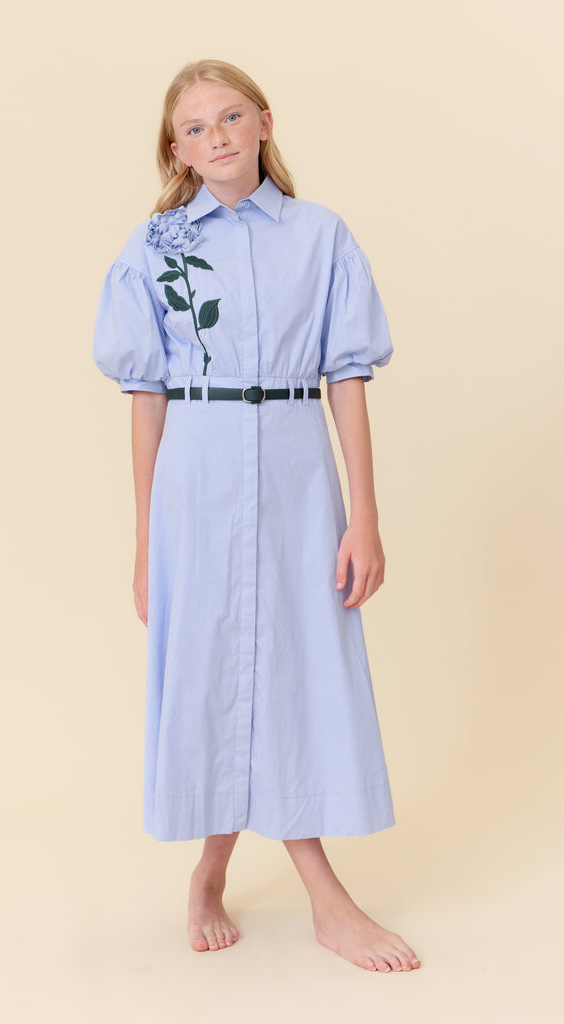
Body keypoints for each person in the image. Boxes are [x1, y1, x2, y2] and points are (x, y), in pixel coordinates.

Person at [92, 58, 421, 973]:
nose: (217, 137)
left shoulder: (320, 236)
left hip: (294, 467)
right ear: (176, 151)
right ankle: (282, 888)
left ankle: (225, 872)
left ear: (264, 123)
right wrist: (145, 542)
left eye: (231, 117)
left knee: (295, 663)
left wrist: (364, 516)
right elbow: (146, 396)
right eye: (194, 128)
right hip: (195, 475)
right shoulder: (154, 246)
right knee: (209, 667)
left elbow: (345, 377)